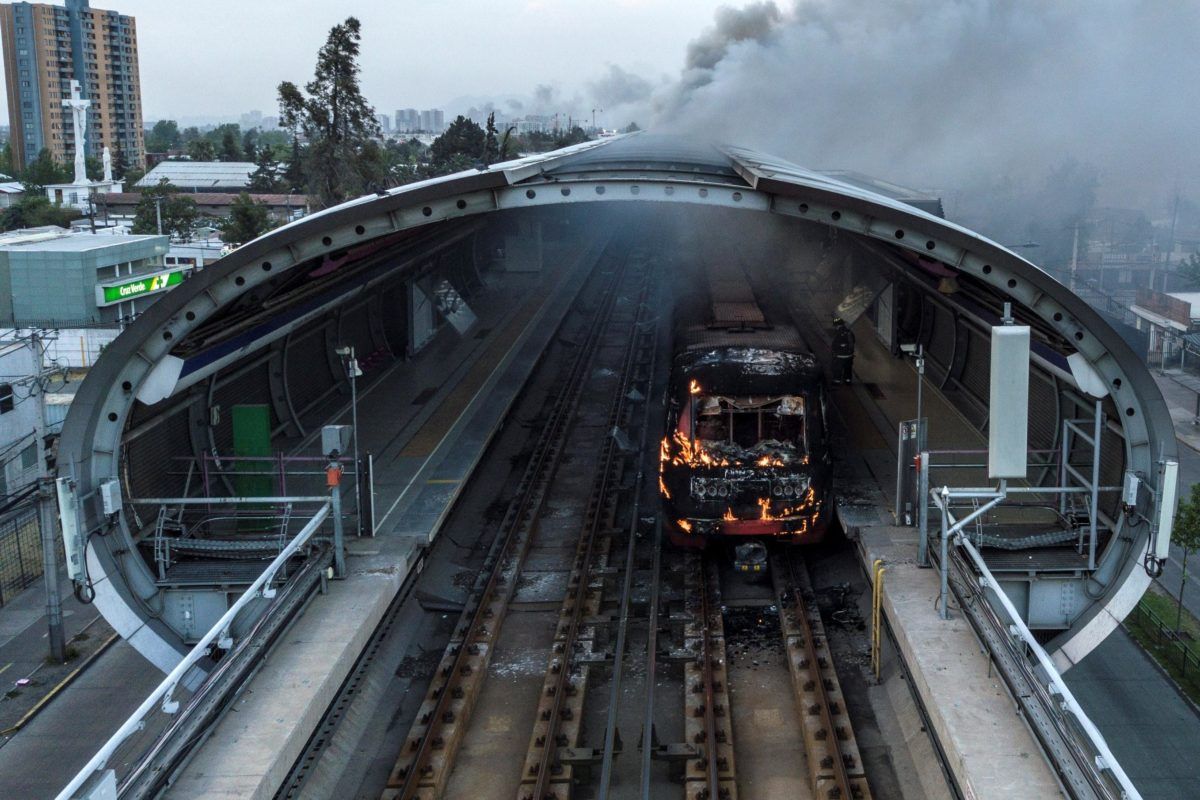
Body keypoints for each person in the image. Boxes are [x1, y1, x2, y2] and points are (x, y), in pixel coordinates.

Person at [832, 317, 855, 384]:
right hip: (849, 355)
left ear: (837, 325)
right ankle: (848, 380)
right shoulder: (849, 332)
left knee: (838, 368)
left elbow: (834, 344)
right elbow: (853, 341)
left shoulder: (837, 333)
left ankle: (837, 380)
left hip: (840, 356)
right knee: (848, 368)